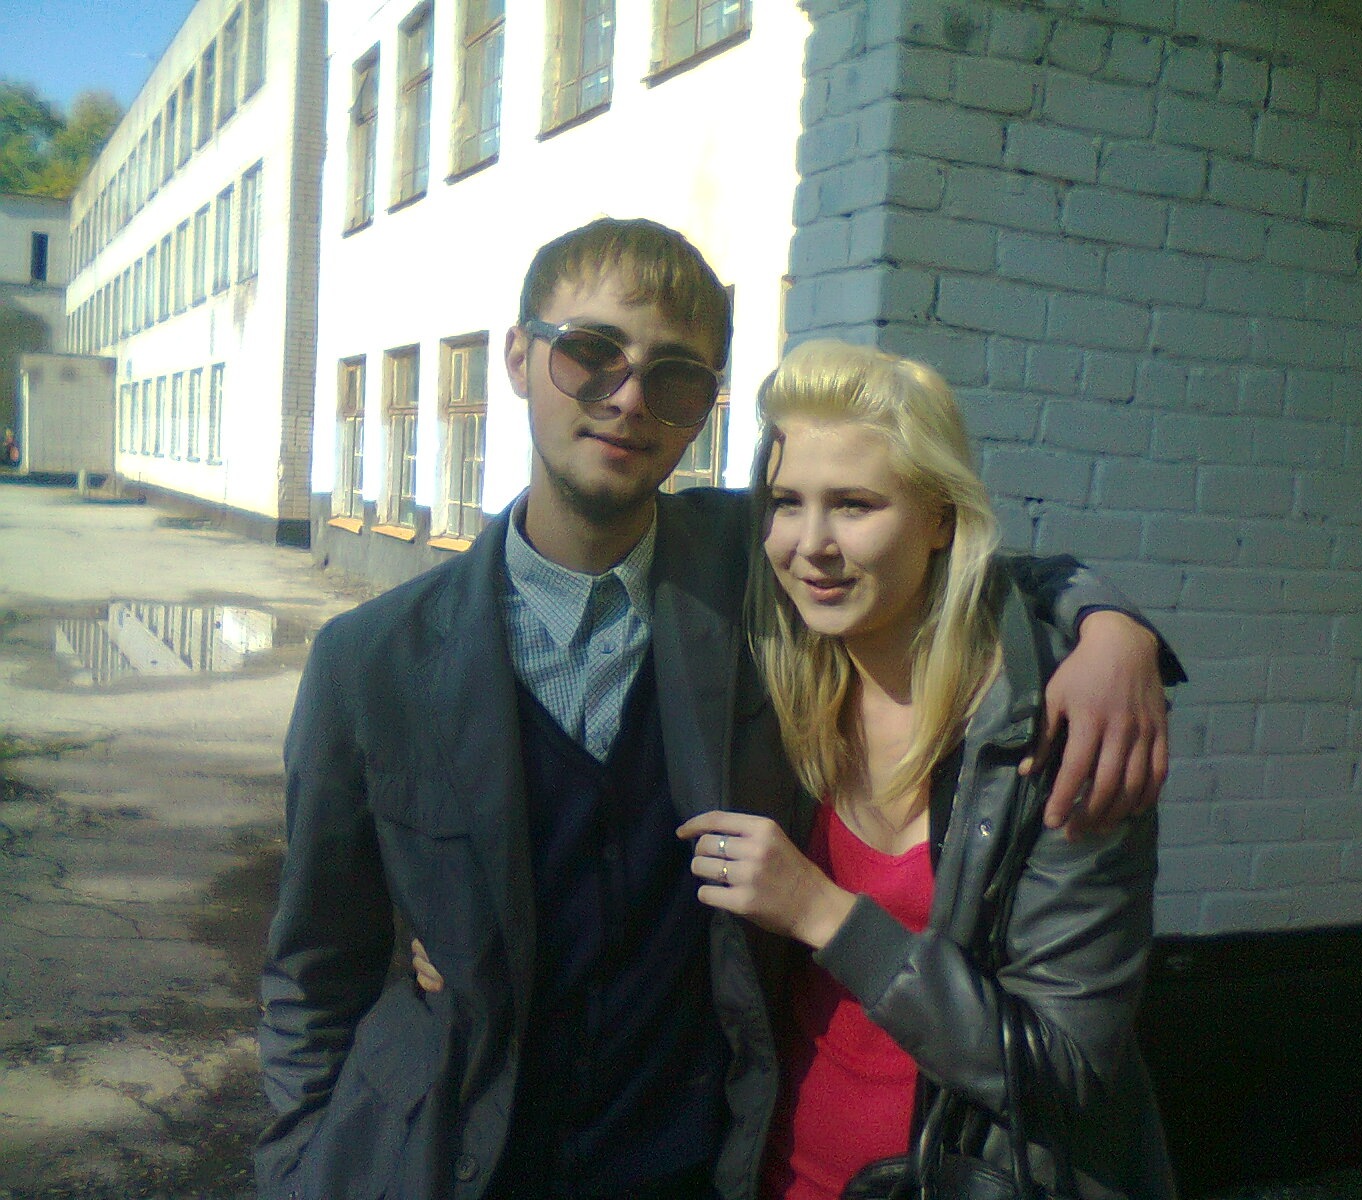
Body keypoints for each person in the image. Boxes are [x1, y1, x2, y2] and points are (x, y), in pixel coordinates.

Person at [257, 217, 1179, 1200]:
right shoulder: (372, 664)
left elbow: (939, 556)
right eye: (590, 353)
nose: (627, 398)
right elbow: (314, 971)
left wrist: (1108, 628)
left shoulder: (748, 574)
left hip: (699, 1164)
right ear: (518, 358)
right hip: (465, 1161)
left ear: (702, 409)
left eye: (674, 375)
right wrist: (298, 1168)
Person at [676, 340, 1175, 1198]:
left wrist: (825, 914)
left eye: (856, 505)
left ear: (941, 519)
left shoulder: (1053, 730)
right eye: (787, 502)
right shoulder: (776, 672)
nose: (811, 544)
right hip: (774, 1172)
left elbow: (1063, 1072)